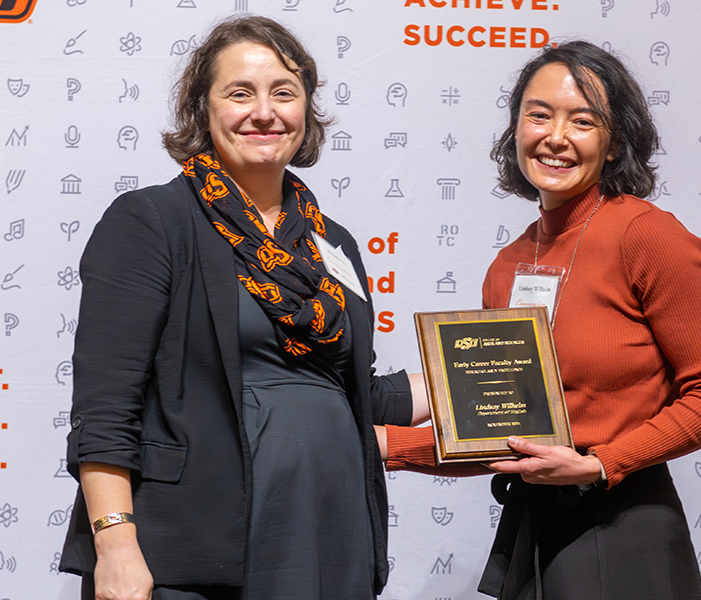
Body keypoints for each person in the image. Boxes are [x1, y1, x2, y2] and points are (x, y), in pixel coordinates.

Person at [59, 16, 426, 600]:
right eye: (240, 93)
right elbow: (106, 408)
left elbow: (338, 388)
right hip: (196, 544)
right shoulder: (154, 222)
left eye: (284, 92)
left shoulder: (333, 243)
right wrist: (115, 545)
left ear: (306, 109)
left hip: (330, 531)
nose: (265, 112)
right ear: (202, 109)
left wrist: (467, 383)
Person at [379, 41, 701, 599]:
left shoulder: (647, 236)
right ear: (515, 129)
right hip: (536, 529)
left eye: (583, 120)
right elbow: (493, 430)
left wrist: (600, 463)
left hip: (624, 530)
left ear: (616, 140)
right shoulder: (508, 265)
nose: (555, 136)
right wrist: (387, 444)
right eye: (539, 114)